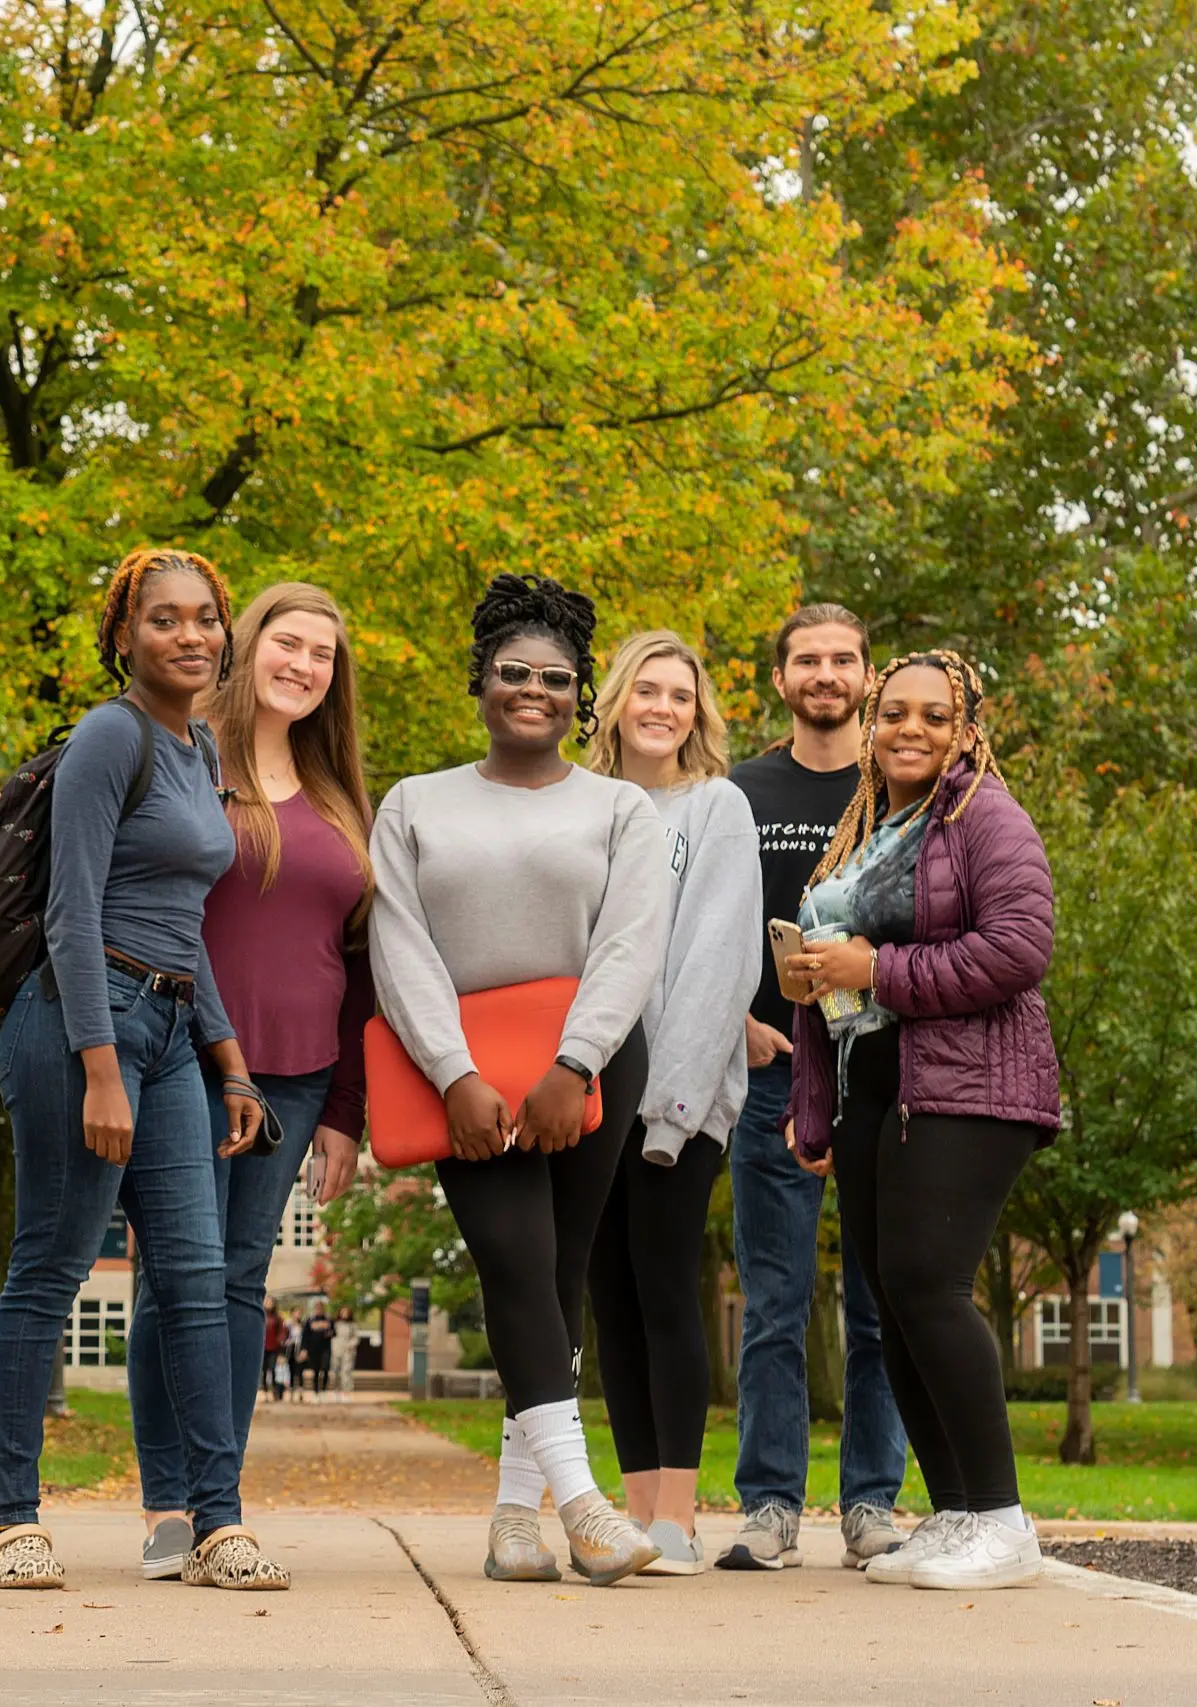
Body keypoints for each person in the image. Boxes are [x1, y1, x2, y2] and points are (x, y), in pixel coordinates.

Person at [0, 546, 288, 1593]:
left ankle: (216, 1524)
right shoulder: (110, 738)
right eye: (165, 619)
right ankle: (15, 1522)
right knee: (50, 1271)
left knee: (197, 1279)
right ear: (123, 637)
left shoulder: (199, 748)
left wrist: (230, 1063)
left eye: (206, 618)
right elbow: (71, 911)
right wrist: (99, 1069)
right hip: (82, 1020)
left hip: (165, 1032)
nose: (191, 635)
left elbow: (187, 924)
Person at [369, 573, 671, 1587]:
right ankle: (583, 1508)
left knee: (557, 1273)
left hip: (587, 1064)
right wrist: (453, 1070)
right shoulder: (414, 804)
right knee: (509, 1257)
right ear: (480, 678)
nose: (532, 690)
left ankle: (511, 1519)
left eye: (555, 677)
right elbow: (397, 946)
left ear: (579, 693)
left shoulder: (623, 807)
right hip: (459, 1073)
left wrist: (574, 1063)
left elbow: (632, 942)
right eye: (512, 672)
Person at [785, 650, 1059, 1592]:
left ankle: (1004, 1519)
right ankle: (956, 1514)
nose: (910, 729)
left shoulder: (986, 814)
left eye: (934, 716)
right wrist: (813, 1103)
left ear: (967, 729)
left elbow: (1020, 948)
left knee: (928, 1286)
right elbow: (841, 970)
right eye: (892, 711)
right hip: (880, 1082)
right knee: (892, 1295)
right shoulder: (879, 825)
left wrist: (877, 972)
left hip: (971, 1086)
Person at [126, 582, 374, 1579]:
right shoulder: (186, 758)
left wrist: (346, 1111)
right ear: (245, 645)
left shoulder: (339, 795)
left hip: (300, 1073)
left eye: (322, 654)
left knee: (234, 1283)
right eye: (288, 642)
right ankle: (168, 1507)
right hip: (183, 1055)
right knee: (171, 1278)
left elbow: (359, 963)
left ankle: (218, 1508)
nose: (303, 664)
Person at [718, 604, 909, 1572]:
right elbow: (702, 928)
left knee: (883, 1301)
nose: (825, 674)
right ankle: (770, 1506)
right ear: (781, 678)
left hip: (882, 1074)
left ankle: (872, 1505)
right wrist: (736, 1024)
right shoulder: (738, 792)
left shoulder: (907, 795)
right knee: (775, 1301)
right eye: (807, 660)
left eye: (842, 660)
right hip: (770, 1075)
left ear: (867, 676)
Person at [579, 631, 761, 1576]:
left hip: (672, 1105)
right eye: (645, 690)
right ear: (614, 700)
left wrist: (671, 1110)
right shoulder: (582, 803)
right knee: (608, 1302)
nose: (662, 707)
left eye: (679, 695)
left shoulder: (716, 808)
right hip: (583, 1091)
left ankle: (681, 1517)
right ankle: (639, 1511)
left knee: (663, 1293)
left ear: (699, 712)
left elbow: (718, 965)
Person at [303, 1305, 336, 1397]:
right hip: (314, 1349)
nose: (319, 1310)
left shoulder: (329, 1319)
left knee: (325, 1368)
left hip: (325, 1348)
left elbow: (334, 1332)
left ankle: (324, 1389)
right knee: (315, 1370)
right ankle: (316, 1389)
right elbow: (305, 1335)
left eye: (320, 1308)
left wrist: (329, 1333)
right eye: (317, 1309)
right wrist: (305, 1348)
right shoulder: (310, 1320)